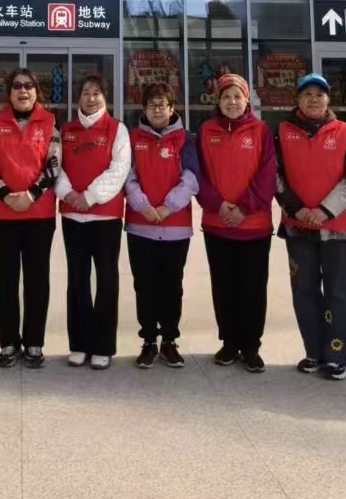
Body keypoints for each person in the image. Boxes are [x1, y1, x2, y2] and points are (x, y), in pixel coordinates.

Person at [274, 74, 346, 381]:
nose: (314, 99)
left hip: (337, 228)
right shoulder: (282, 131)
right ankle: (313, 351)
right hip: (297, 227)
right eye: (307, 94)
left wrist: (324, 210)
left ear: (328, 99)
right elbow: (275, 175)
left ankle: (337, 356)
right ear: (297, 99)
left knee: (339, 292)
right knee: (304, 291)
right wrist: (297, 208)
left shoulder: (344, 131)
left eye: (320, 94)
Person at [195, 72, 277, 373]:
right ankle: (229, 342)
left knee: (252, 288)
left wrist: (244, 208)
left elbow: (268, 174)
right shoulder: (206, 130)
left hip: (253, 226)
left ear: (246, 100)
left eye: (237, 97)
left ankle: (251, 345)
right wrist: (218, 204)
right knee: (224, 286)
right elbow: (198, 173)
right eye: (226, 97)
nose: (232, 102)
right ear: (218, 101)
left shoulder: (261, 130)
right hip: (217, 224)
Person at [0, 68, 60, 368]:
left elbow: (54, 163)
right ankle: (9, 343)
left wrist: (31, 194)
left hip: (39, 215)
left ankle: (35, 343)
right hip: (2, 216)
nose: (23, 91)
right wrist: (5, 194)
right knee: (5, 280)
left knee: (37, 280)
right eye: (17, 86)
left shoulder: (51, 122)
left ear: (36, 91)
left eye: (28, 86)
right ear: (9, 92)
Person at [56, 72, 131, 370]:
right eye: (86, 92)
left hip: (105, 216)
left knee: (106, 280)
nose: (91, 98)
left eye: (96, 93)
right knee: (77, 280)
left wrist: (89, 196)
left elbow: (119, 169)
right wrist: (69, 194)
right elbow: (55, 165)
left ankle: (103, 346)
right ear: (78, 98)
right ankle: (79, 343)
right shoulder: (65, 130)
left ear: (105, 97)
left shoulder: (117, 129)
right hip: (72, 216)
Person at [123, 82, 198, 369]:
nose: (157, 110)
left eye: (162, 105)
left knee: (171, 286)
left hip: (175, 227)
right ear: (144, 109)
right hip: (140, 226)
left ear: (172, 108)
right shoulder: (132, 138)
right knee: (144, 286)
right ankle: (149, 341)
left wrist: (168, 206)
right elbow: (127, 175)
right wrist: (143, 205)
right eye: (151, 105)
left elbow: (191, 178)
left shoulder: (185, 139)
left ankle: (169, 340)